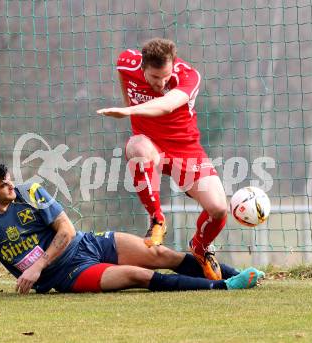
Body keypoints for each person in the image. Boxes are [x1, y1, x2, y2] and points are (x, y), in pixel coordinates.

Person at [0, 159, 264, 299]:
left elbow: (65, 231)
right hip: (67, 275)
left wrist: (35, 264)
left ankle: (242, 275)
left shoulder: (31, 192)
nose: (11, 185)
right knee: (136, 275)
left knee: (161, 254)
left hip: (86, 244)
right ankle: (223, 286)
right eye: (4, 183)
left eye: (9, 179)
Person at [97, 38, 228, 280]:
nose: (162, 82)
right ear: (143, 67)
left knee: (219, 209)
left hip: (186, 149)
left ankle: (199, 246)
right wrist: (128, 102)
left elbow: (167, 105)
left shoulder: (188, 76)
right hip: (151, 145)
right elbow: (123, 76)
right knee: (136, 145)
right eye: (155, 78)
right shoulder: (127, 63)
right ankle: (157, 218)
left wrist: (128, 111)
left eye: (165, 76)